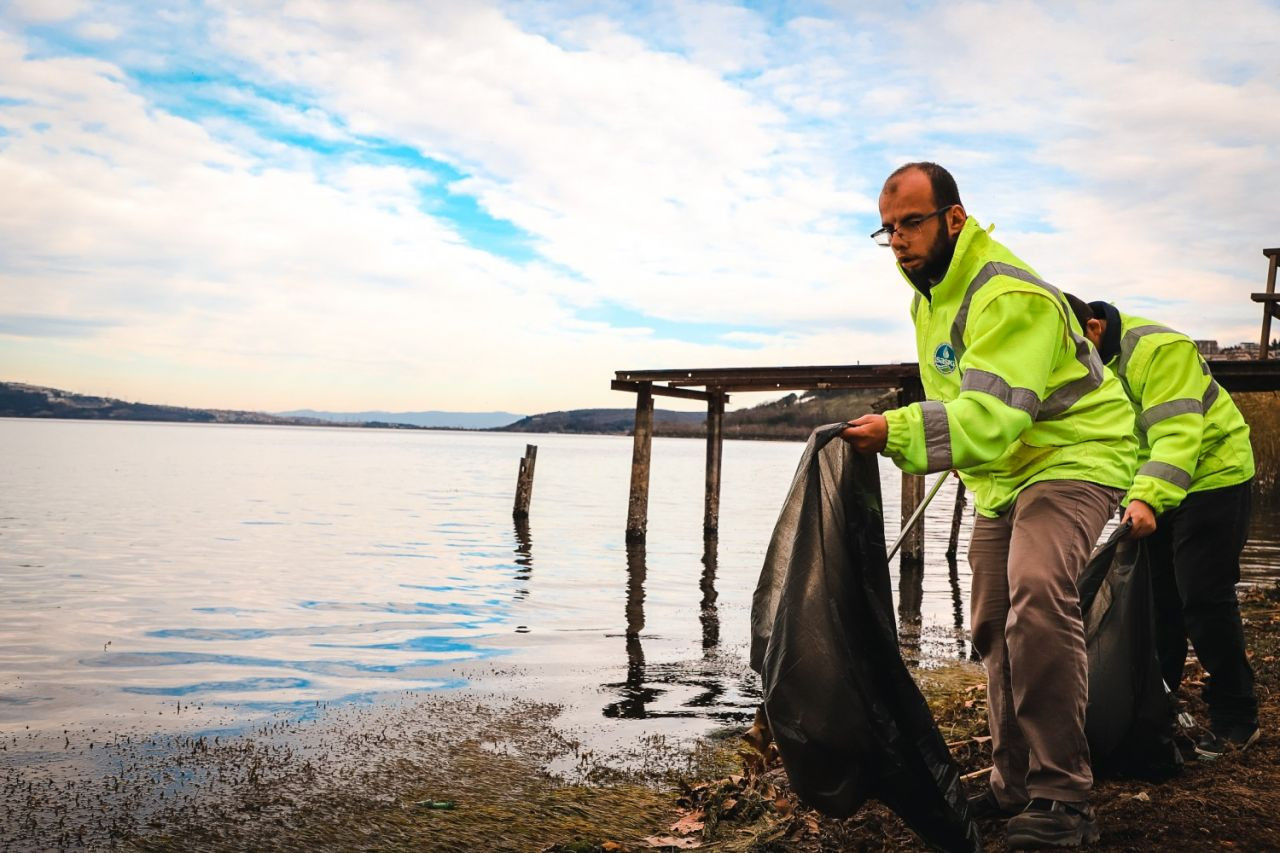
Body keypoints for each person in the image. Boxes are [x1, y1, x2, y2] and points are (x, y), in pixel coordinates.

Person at [843, 162, 1138, 849]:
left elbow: (994, 412)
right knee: (990, 619)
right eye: (885, 229)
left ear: (953, 217)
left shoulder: (1005, 292)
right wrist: (918, 428)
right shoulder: (927, 297)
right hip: (1007, 473)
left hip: (1076, 453)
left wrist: (901, 430)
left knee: (1038, 591)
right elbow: (964, 399)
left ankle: (1064, 797)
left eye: (910, 222)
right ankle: (1013, 781)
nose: (897, 240)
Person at [1077, 299, 1259, 758]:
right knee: (1157, 600)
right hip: (1150, 488)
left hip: (1213, 474)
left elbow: (1178, 434)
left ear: (1094, 328)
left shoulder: (1158, 349)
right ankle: (1157, 702)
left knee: (1202, 595)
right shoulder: (1091, 363)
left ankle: (1237, 716)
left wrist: (1146, 497)